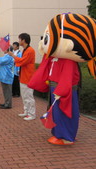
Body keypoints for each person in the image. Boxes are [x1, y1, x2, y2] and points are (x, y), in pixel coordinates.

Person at [28, 13, 95, 145]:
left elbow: (67, 78)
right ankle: (58, 133)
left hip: (63, 90)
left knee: (65, 112)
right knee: (56, 112)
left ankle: (66, 136)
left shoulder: (68, 61)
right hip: (56, 87)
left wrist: (61, 90)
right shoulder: (55, 58)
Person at [8, 33, 36, 120]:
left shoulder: (30, 50)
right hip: (24, 76)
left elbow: (22, 61)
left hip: (28, 77)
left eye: (20, 39)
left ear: (23, 40)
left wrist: (13, 55)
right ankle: (26, 111)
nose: (19, 41)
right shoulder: (25, 50)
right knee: (24, 96)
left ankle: (32, 114)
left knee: (28, 96)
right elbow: (21, 62)